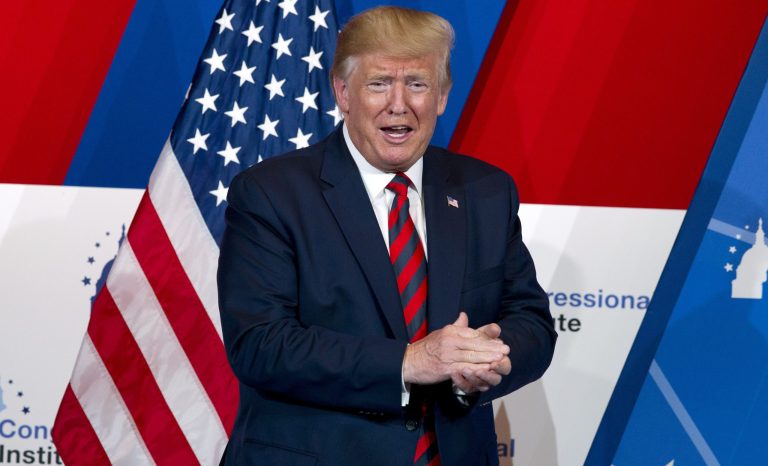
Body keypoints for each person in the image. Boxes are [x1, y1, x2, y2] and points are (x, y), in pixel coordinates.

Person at [217, 6, 556, 466]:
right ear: (343, 92)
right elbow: (261, 344)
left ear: (442, 95)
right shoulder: (271, 194)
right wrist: (409, 362)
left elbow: (530, 321)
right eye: (379, 84)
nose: (399, 104)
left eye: (417, 84)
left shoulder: (486, 191)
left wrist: (484, 362)